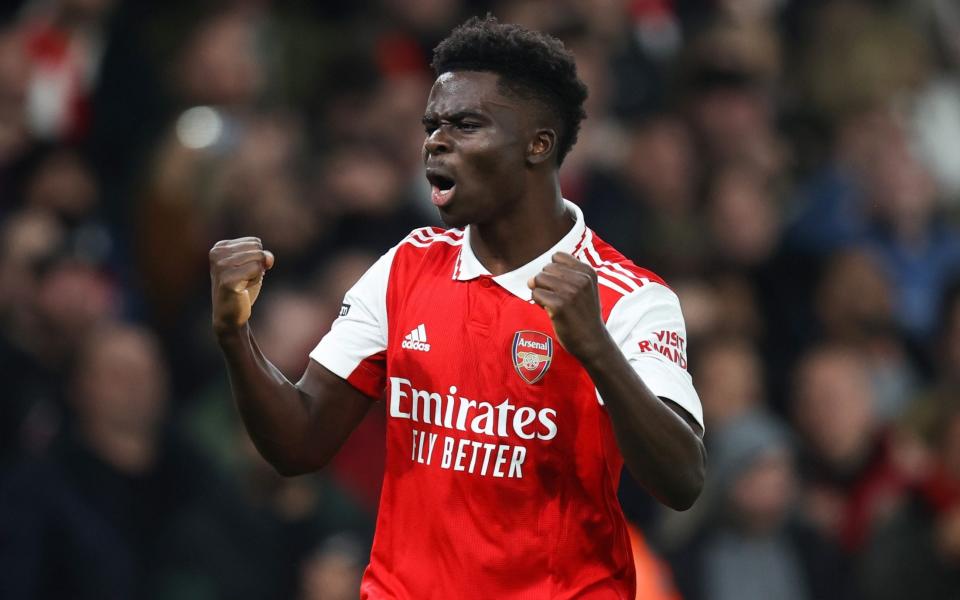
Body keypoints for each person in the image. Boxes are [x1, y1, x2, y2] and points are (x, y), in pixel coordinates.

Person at [209, 16, 705, 598]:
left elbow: (681, 480)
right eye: (432, 125)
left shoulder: (630, 298)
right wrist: (235, 335)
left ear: (538, 144)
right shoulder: (406, 266)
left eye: (466, 124)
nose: (436, 142)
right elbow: (299, 444)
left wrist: (596, 348)